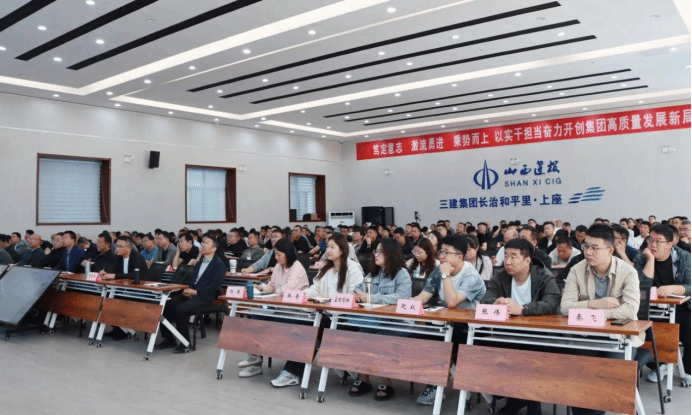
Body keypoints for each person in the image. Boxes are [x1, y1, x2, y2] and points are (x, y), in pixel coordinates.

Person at [560, 224, 642, 415]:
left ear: (610, 250)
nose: (588, 252)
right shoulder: (577, 269)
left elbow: (630, 310)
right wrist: (595, 304)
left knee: (606, 376)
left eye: (595, 248)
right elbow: (565, 307)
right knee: (577, 373)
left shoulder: (627, 272)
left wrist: (592, 313)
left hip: (619, 338)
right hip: (585, 335)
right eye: (586, 246)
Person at [481, 238, 560, 415]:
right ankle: (513, 397)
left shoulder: (543, 275)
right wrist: (496, 303)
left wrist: (522, 309)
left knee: (530, 356)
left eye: (513, 257)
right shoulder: (501, 276)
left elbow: (552, 302)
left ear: (527, 260)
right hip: (507, 334)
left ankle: (528, 403)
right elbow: (485, 300)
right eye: (505, 256)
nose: (507, 261)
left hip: (539, 336)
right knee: (481, 350)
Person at [409, 235, 486, 405]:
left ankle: (449, 387)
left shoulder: (471, 276)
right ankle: (435, 384)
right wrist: (410, 302)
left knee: (441, 342)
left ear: (459, 257)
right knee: (422, 338)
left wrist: (445, 276)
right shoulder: (439, 270)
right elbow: (424, 296)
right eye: (441, 252)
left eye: (446, 252)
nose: (441, 256)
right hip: (447, 323)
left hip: (471, 327)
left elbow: (452, 302)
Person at [238, 238, 309, 384]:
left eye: (279, 255)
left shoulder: (297, 268)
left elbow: (285, 290)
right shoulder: (278, 266)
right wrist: (262, 288)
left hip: (296, 313)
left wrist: (272, 292)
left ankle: (258, 357)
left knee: (268, 323)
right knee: (256, 316)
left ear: (288, 254)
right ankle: (255, 359)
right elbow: (272, 285)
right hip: (279, 309)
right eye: (275, 254)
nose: (276, 258)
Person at [349, 238, 411, 401]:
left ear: (391, 253)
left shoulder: (401, 273)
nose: (375, 254)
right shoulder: (373, 274)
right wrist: (357, 295)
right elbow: (358, 288)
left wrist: (371, 297)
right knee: (361, 336)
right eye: (375, 251)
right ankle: (364, 380)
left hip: (398, 322)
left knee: (380, 339)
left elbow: (402, 297)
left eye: (380, 251)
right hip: (376, 319)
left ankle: (386, 383)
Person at [634, 225, 691, 385]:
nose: (652, 244)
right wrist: (650, 260)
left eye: (658, 241)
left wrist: (675, 288)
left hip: (682, 306)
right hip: (651, 308)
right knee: (646, 333)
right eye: (650, 239)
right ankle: (659, 365)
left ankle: (688, 369)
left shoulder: (685, 258)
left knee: (688, 329)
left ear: (669, 244)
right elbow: (641, 288)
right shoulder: (641, 258)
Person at [155, 235, 225, 353]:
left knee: (180, 309)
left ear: (214, 249)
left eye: (206, 243)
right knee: (165, 306)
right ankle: (169, 339)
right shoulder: (199, 262)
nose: (203, 245)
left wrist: (196, 292)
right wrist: (187, 290)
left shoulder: (218, 264)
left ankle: (185, 343)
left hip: (206, 297)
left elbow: (215, 286)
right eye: (202, 243)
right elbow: (193, 280)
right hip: (192, 293)